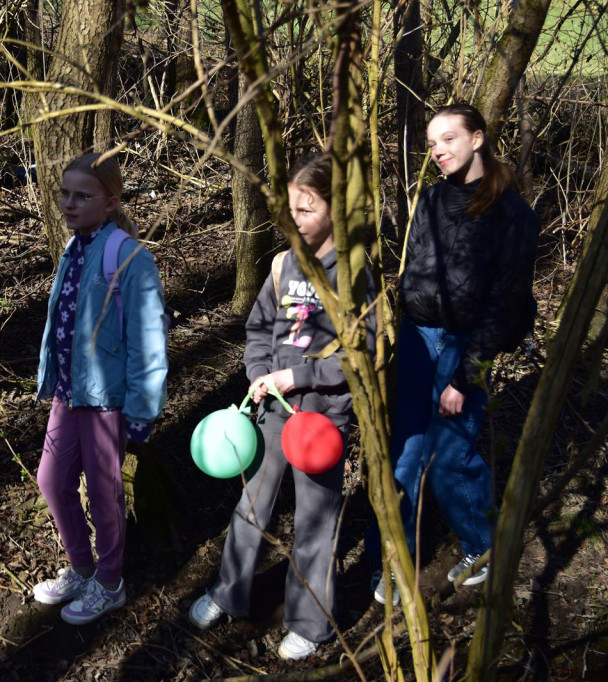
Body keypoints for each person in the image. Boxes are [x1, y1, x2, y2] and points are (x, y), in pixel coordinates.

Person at [189, 155, 373, 661]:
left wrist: (300, 376)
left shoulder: (356, 275)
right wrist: (259, 373)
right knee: (251, 504)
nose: (295, 220)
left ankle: (311, 623)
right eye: (290, 209)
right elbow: (257, 330)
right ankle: (228, 591)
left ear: (337, 209)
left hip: (322, 418)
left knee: (316, 518)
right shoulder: (283, 264)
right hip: (271, 411)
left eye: (307, 210)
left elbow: (363, 354)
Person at [369, 103, 539, 605]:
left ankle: (479, 548)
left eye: (448, 139)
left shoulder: (511, 213)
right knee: (405, 454)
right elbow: (418, 267)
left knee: (449, 458)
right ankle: (396, 560)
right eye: (431, 143)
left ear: (477, 138)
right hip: (417, 337)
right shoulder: (431, 198)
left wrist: (465, 377)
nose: (438, 151)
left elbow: (506, 304)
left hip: (466, 344)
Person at [31, 152, 169, 625]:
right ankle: (82, 568)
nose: (69, 203)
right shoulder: (74, 247)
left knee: (104, 493)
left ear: (110, 203)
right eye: (65, 194)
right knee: (51, 480)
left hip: (107, 399)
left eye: (82, 196)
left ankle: (110, 583)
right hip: (70, 393)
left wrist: (142, 412)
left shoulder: (130, 257)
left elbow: (149, 340)